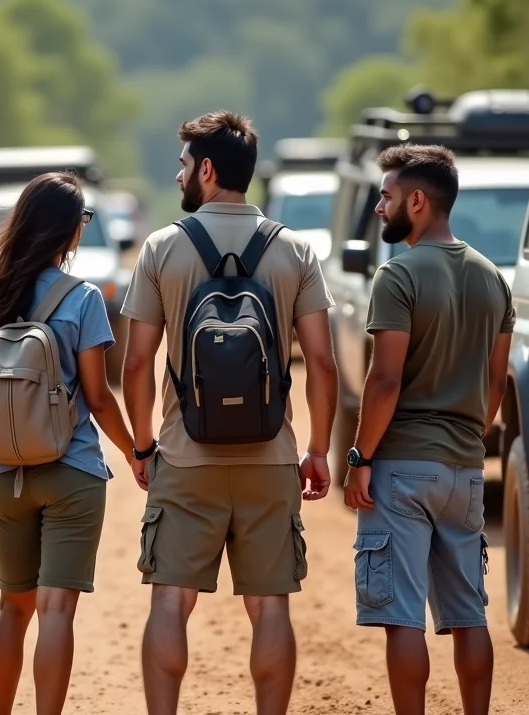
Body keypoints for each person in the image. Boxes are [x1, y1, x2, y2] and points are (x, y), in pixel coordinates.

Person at [120, 111, 338, 715]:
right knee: (270, 605)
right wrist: (317, 448)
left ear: (208, 170)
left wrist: (142, 444)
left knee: (170, 601)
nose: (179, 174)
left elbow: (136, 363)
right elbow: (322, 362)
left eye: (185, 164)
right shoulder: (295, 249)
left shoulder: (163, 247)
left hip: (186, 455)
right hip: (271, 456)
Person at [344, 144, 513, 715]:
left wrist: (360, 457)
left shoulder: (397, 276)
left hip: (401, 467)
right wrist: (468, 438)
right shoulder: (493, 278)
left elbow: (385, 379)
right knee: (469, 614)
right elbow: (496, 384)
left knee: (401, 616)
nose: (379, 208)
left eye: (387, 197)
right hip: (464, 467)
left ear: (417, 201)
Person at [0, 172, 137, 715]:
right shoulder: (82, 298)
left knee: (10, 609)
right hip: (73, 470)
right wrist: (137, 453)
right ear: (68, 230)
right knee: (56, 611)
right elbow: (99, 397)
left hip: (5, 477)